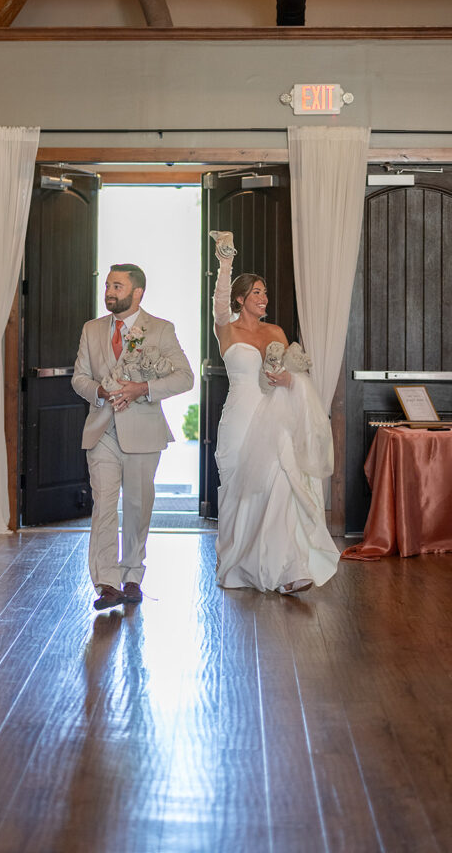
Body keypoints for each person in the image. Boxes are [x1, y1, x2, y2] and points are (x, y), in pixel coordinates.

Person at [211, 233, 340, 594]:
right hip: (239, 416)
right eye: (256, 292)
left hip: (275, 417)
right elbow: (220, 303)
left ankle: (288, 569)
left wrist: (288, 379)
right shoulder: (227, 328)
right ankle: (239, 563)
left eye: (265, 293)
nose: (263, 298)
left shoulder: (276, 331)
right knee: (241, 489)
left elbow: (294, 376)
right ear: (241, 298)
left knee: (282, 486)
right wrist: (225, 264)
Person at [72, 263, 194, 611]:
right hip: (102, 431)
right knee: (104, 506)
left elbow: (185, 378)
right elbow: (79, 377)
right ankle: (107, 582)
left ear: (137, 293)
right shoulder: (92, 330)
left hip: (143, 431)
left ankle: (132, 577)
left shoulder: (160, 329)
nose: (109, 292)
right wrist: (98, 390)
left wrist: (143, 387)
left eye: (117, 286)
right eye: (108, 285)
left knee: (138, 508)